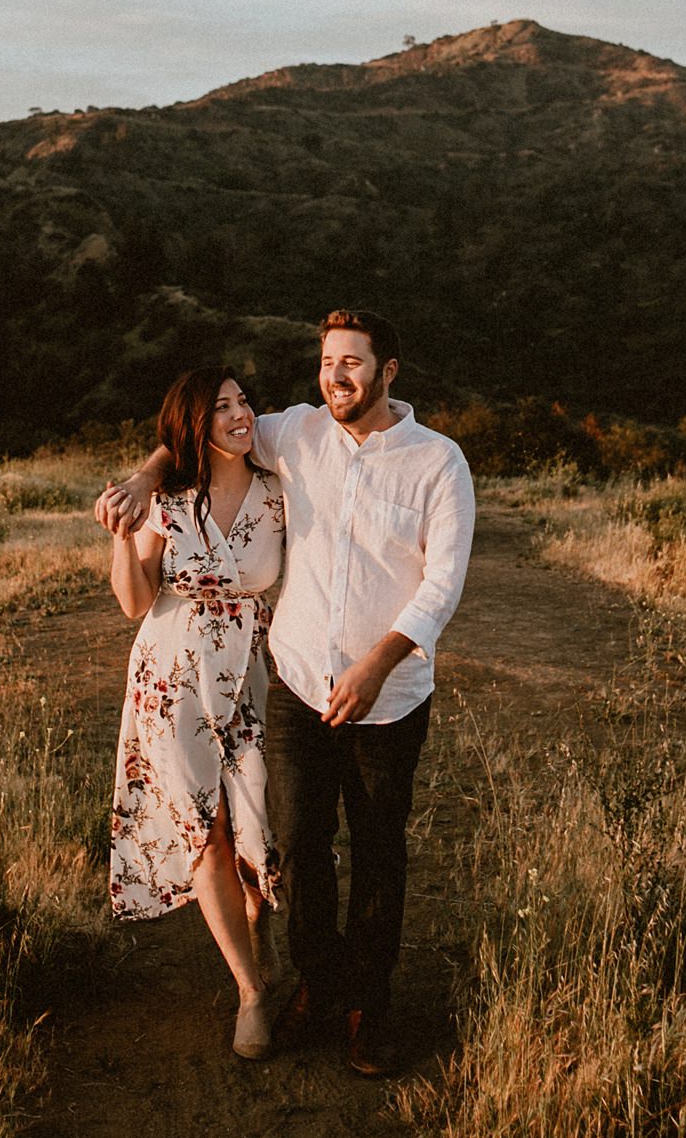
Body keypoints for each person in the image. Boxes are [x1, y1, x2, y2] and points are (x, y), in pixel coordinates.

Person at [98, 310, 474, 1077]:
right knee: (295, 845)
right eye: (327, 361)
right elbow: (196, 424)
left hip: (389, 693)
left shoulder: (438, 463)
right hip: (296, 684)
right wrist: (141, 477)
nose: (336, 376)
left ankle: (369, 1003)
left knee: (376, 848)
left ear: (388, 371)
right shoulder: (297, 433)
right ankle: (316, 983)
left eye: (352, 363)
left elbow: (442, 584)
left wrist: (377, 664)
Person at [106, 366, 287, 1059]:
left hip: (251, 674)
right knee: (204, 833)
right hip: (172, 678)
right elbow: (133, 601)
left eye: (245, 401)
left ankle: (256, 919)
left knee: (261, 825)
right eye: (223, 407)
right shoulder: (169, 500)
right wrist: (123, 535)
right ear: (195, 423)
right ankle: (250, 990)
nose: (242, 415)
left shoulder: (278, 492)